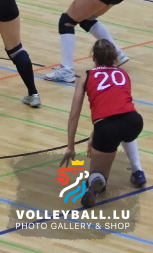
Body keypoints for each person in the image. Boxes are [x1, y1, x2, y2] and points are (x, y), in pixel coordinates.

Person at [60, 39, 145, 208]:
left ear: (93, 57)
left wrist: (70, 146)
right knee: (124, 131)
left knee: (97, 176)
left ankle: (97, 181)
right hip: (134, 121)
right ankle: (138, 171)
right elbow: (118, 106)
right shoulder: (123, 74)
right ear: (114, 56)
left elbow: (74, 115)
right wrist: (95, 133)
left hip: (107, 128)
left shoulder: (86, 76)